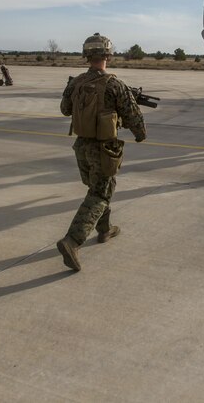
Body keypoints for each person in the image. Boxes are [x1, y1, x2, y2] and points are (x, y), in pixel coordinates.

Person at [56, 33, 146, 272]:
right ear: (108, 55)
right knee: (100, 193)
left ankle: (104, 229)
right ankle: (72, 240)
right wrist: (140, 133)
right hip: (103, 149)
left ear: (86, 56)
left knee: (98, 189)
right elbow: (133, 116)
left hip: (81, 147)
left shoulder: (76, 83)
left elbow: (65, 109)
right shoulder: (116, 85)